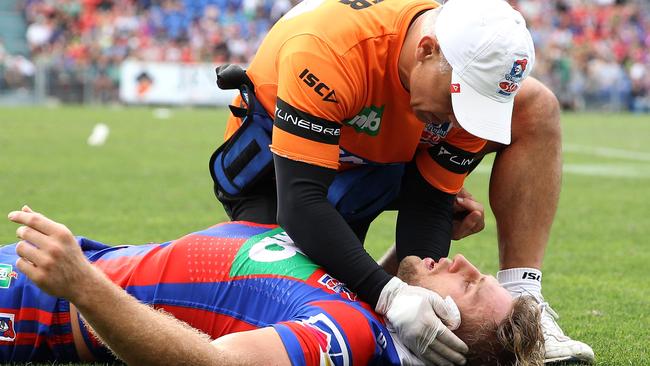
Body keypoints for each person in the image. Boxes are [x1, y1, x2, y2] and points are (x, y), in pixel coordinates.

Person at [207, 0, 594, 363]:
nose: (460, 121)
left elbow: (428, 204)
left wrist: (427, 302)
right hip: (276, 177)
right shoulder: (329, 47)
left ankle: (523, 295)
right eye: (460, 101)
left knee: (537, 104)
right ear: (427, 50)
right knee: (273, 298)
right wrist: (390, 294)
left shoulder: (468, 81)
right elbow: (300, 201)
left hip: (369, 165)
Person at [2, 206, 544, 365]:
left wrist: (82, 286)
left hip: (36, 306)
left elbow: (213, 365)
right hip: (81, 264)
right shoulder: (372, 310)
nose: (466, 262)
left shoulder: (343, 337)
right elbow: (327, 292)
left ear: (443, 341)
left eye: (470, 286)